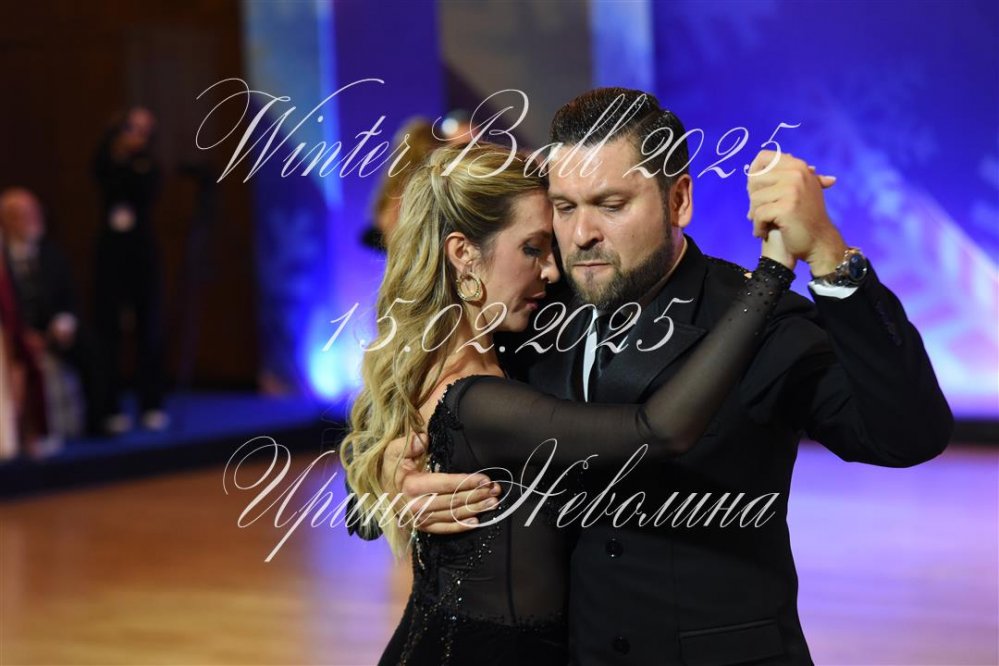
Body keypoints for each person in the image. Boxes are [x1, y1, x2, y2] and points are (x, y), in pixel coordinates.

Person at [373, 88, 953, 665]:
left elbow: (907, 436)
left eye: (611, 204)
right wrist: (395, 479)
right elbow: (423, 415)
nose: (581, 234)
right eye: (565, 207)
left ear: (678, 200)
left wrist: (828, 254)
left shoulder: (756, 319)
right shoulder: (530, 310)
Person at [340, 142, 798, 665]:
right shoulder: (481, 398)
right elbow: (656, 432)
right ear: (463, 254)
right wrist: (772, 274)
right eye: (532, 249)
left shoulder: (473, 358)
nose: (553, 270)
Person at [0, 187, 102, 437]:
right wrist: (21, 335)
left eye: (35, 213)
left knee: (92, 345)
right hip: (13, 336)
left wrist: (63, 322)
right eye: (23, 215)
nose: (33, 219)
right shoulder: (2, 259)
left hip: (51, 334)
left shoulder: (52, 255)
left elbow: (69, 299)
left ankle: (98, 421)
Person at [93, 106, 167, 433]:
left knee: (148, 328)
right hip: (111, 252)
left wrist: (133, 158)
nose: (135, 135)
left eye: (143, 130)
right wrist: (117, 149)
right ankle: (110, 406)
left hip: (141, 252)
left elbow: (144, 192)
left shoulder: (149, 164)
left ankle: (151, 403)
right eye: (129, 127)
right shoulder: (107, 160)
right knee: (108, 330)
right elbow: (103, 177)